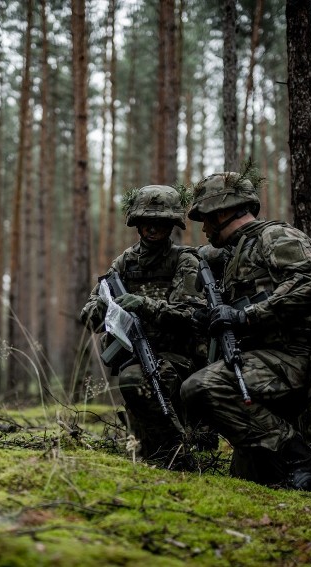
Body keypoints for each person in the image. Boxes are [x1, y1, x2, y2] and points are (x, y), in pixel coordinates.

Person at [181, 170, 311, 490]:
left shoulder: (276, 237)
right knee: (256, 478)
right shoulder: (233, 253)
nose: (203, 228)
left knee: (201, 387)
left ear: (225, 211)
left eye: (206, 218)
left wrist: (245, 317)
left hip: (297, 361)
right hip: (262, 362)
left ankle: (302, 456)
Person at [80, 184, 207, 469]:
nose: (153, 228)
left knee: (139, 381)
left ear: (172, 225)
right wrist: (103, 307)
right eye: (147, 222)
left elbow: (192, 315)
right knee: (143, 452)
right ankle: (167, 449)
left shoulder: (184, 260)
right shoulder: (124, 262)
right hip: (135, 356)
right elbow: (91, 313)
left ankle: (180, 451)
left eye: (161, 222)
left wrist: (144, 304)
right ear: (137, 223)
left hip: (179, 359)